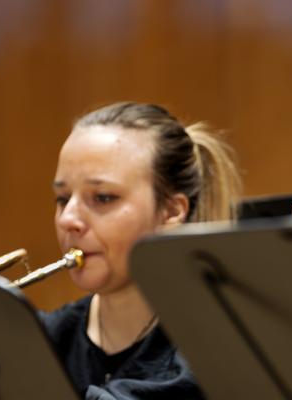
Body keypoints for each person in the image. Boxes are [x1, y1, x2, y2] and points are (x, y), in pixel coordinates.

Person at [41, 102, 241, 399]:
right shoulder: (44, 342)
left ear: (171, 211)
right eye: (62, 198)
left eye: (103, 197)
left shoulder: (216, 353)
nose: (68, 219)